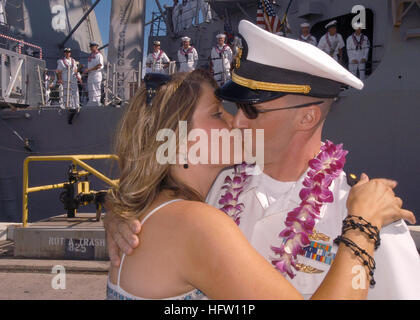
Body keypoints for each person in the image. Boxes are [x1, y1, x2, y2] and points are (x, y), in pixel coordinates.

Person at [105, 20, 420, 300]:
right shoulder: (210, 196)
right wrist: (119, 215)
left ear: (307, 117)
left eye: (252, 109)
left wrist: (121, 212)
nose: (236, 121)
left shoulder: (367, 214)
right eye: (230, 108)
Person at [84, 41, 104, 106]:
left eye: (92, 46)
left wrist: (89, 69)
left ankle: (97, 102)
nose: (91, 48)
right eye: (91, 46)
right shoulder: (91, 56)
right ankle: (91, 101)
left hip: (96, 74)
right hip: (90, 75)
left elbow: (99, 65)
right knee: (91, 88)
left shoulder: (99, 55)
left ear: (96, 47)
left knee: (96, 88)